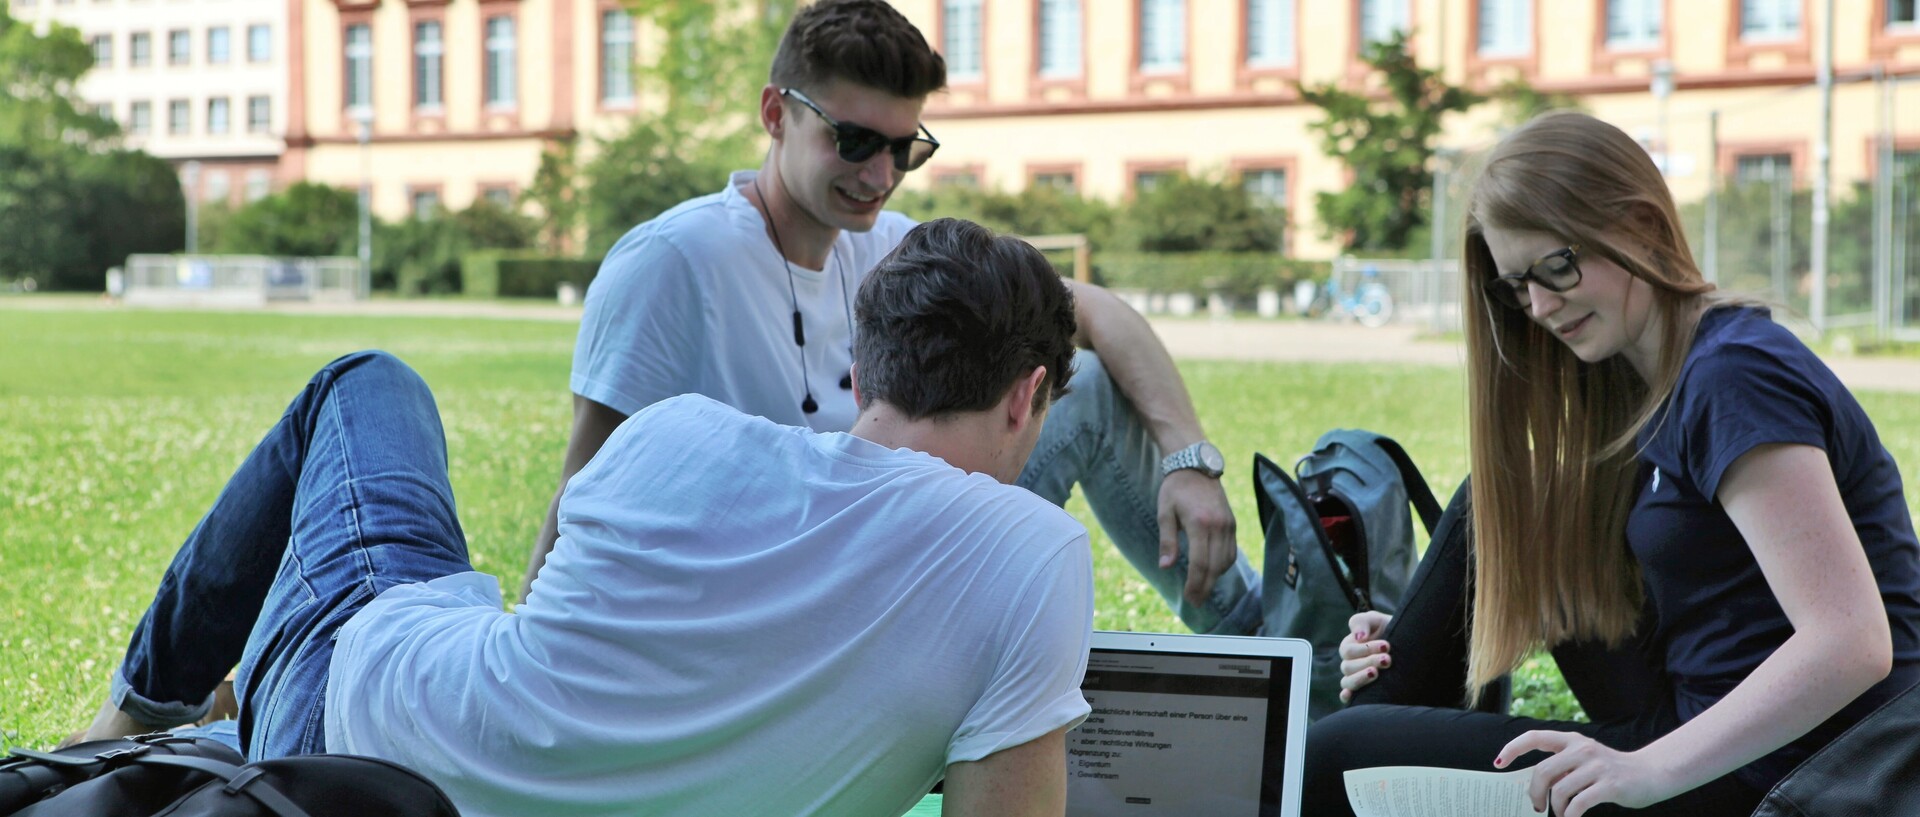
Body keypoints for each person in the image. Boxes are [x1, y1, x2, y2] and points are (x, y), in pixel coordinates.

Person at [79, 218, 1098, 817]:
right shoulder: (1032, 558)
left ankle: (137, 713)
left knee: (367, 382)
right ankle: (144, 725)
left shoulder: (676, 436)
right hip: (362, 752)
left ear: (860, 366)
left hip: (348, 733)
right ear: (1028, 398)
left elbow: (561, 597)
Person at [524, 0, 1262, 636]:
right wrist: (534, 641)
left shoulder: (886, 243)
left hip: (902, 544)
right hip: (784, 602)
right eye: (852, 141)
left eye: (905, 148)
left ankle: (1265, 637)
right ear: (775, 114)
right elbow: (585, 485)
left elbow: (1094, 311)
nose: (879, 176)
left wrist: (1187, 459)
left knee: (1087, 385)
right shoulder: (675, 261)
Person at [1303, 111, 1920, 817]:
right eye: (1516, 285)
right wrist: (1412, 633)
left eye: (1556, 267)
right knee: (1508, 503)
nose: (1537, 305)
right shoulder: (1649, 378)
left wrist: (1646, 770)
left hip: (1799, 771)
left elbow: (1851, 640)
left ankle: (1371, 729)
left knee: (1336, 754)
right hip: (1699, 717)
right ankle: (1393, 686)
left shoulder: (1732, 376)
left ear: (1638, 224)